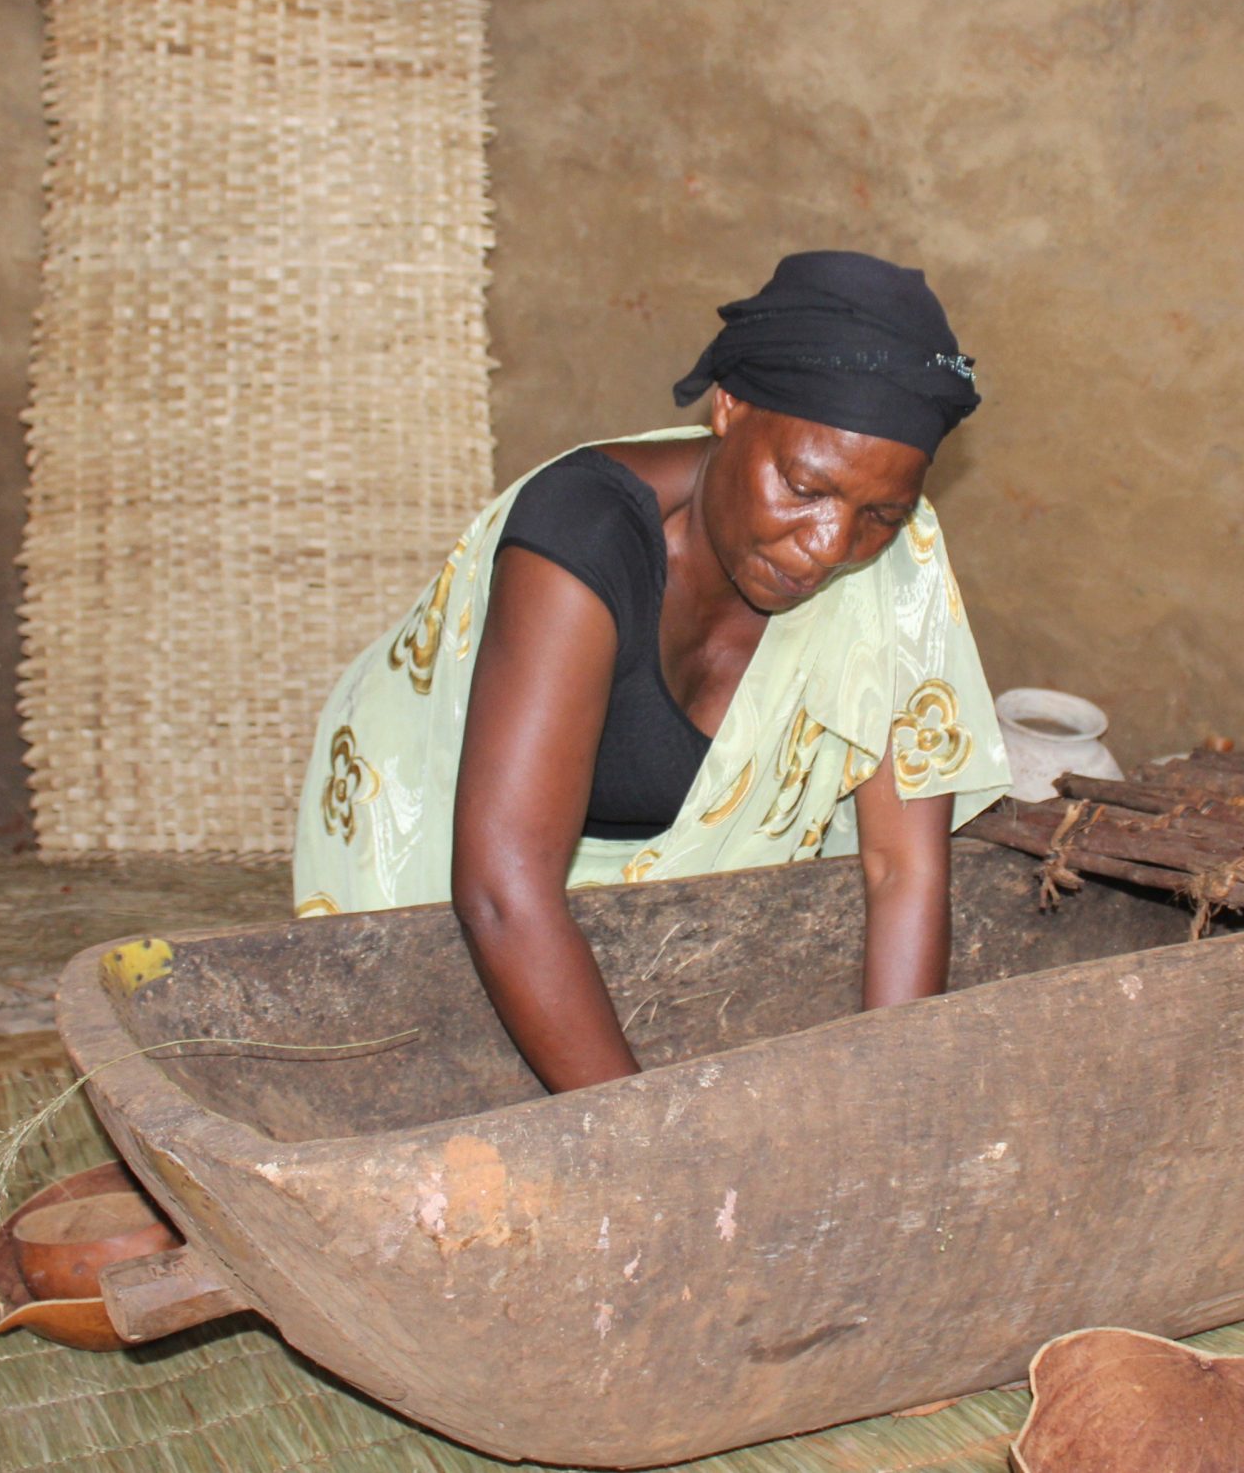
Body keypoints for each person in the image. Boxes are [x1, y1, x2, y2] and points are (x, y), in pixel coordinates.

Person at [289, 251, 1011, 1091]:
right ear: (728, 407)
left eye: (878, 514)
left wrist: (890, 1105)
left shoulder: (894, 569)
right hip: (432, 868)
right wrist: (652, 1144)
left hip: (642, 918)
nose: (827, 547)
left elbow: (903, 868)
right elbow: (500, 892)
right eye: (803, 486)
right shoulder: (582, 542)